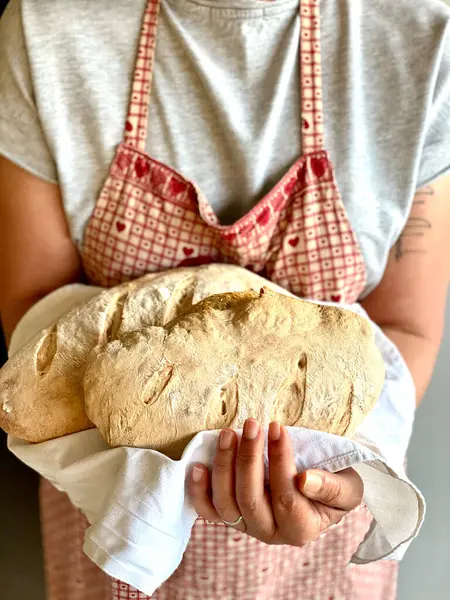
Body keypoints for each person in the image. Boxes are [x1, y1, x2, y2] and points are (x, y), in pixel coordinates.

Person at [1, 0, 449, 598]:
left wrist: (345, 472)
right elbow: (37, 338)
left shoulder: (420, 36)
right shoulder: (46, 26)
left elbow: (402, 333)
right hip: (112, 533)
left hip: (326, 553)